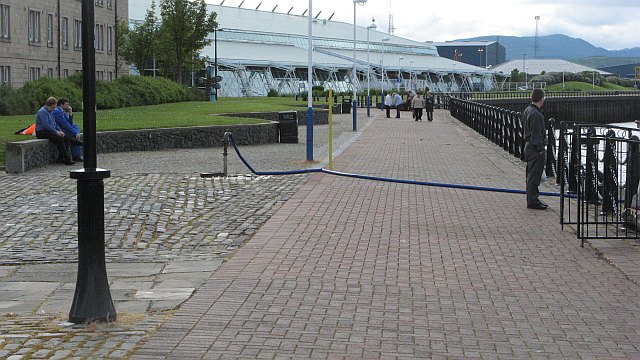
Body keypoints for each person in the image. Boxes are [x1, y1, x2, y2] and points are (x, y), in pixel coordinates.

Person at [522, 89, 548, 210]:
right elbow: (536, 134)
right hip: (534, 149)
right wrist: (540, 149)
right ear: (542, 99)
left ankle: (532, 198)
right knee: (534, 175)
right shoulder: (537, 115)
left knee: (530, 174)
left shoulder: (528, 110)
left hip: (528, 146)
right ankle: (533, 200)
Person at [35, 97, 75, 165]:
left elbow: (54, 123)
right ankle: (67, 159)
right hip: (42, 132)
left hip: (51, 130)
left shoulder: (51, 111)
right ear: (52, 105)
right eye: (55, 105)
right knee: (59, 138)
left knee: (67, 138)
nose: (56, 107)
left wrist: (60, 131)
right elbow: (46, 125)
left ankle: (60, 158)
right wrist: (56, 132)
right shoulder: (43, 112)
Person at [53, 97, 83, 162]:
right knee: (74, 135)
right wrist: (75, 132)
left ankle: (75, 138)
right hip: (60, 129)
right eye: (66, 104)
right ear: (61, 104)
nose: (68, 106)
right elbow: (64, 124)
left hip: (65, 128)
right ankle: (76, 155)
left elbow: (69, 123)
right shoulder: (57, 112)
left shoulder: (62, 112)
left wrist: (70, 113)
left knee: (75, 126)